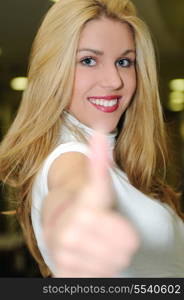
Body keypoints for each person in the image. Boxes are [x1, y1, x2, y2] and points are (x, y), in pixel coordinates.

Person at [0, 0, 184, 278]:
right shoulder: (69, 156)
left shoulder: (109, 157)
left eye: (124, 62)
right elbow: (72, 188)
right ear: (54, 70)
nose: (114, 80)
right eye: (88, 60)